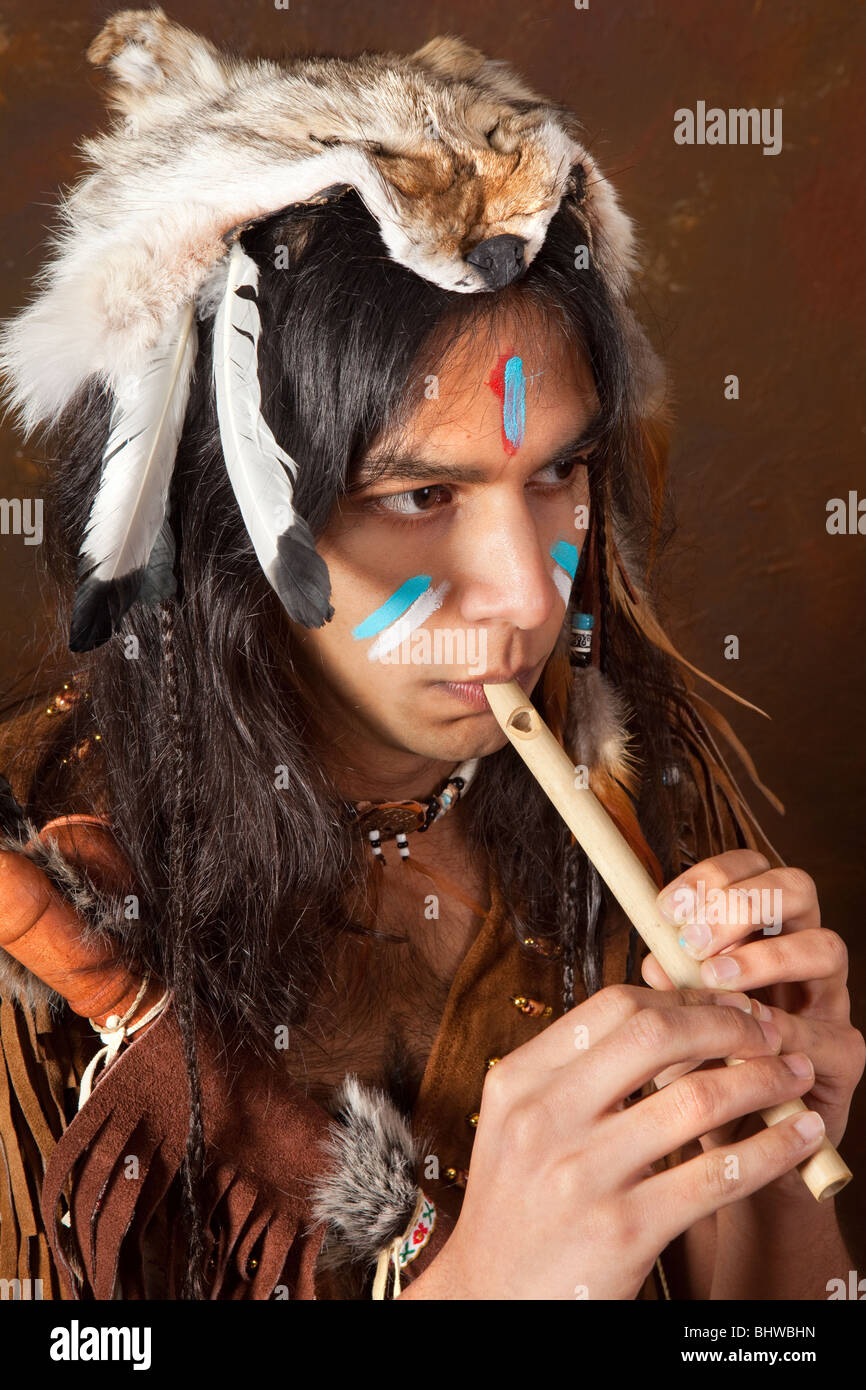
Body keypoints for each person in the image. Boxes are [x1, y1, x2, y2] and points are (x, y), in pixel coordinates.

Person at [0, 15, 861, 1303]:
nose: (526, 594)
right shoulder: (38, 898)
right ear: (222, 518)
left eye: (558, 469)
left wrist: (772, 1182)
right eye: (418, 496)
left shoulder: (636, 796)